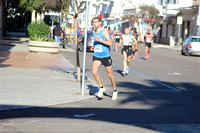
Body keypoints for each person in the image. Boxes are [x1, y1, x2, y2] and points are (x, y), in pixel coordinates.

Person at [90, 17, 118, 100]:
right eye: (93, 22)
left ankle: (115, 90)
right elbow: (96, 41)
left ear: (100, 23)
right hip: (97, 55)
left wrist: (101, 40)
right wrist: (93, 46)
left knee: (110, 75)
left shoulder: (104, 31)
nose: (94, 24)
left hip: (105, 56)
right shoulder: (94, 31)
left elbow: (109, 43)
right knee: (94, 72)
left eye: (95, 22)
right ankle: (101, 87)